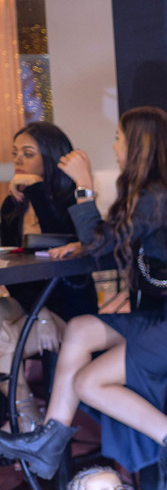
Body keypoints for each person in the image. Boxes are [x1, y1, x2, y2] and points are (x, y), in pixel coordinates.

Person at [0, 107, 167, 490]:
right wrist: (85, 244)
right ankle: (50, 439)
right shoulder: (155, 192)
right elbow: (109, 241)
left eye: (119, 138)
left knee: (88, 382)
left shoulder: (155, 195)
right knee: (81, 328)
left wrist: (84, 187)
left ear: (137, 144)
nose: (115, 145)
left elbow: (102, 240)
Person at [0, 122, 98, 424]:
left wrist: (37, 188)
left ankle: (25, 418)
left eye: (28, 154)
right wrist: (37, 312)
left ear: (51, 157)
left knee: (4, 342)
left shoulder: (73, 200)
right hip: (29, 304)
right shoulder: (13, 204)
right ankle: (27, 414)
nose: (18, 160)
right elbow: (11, 262)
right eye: (16, 153)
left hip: (68, 307)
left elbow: (68, 261)